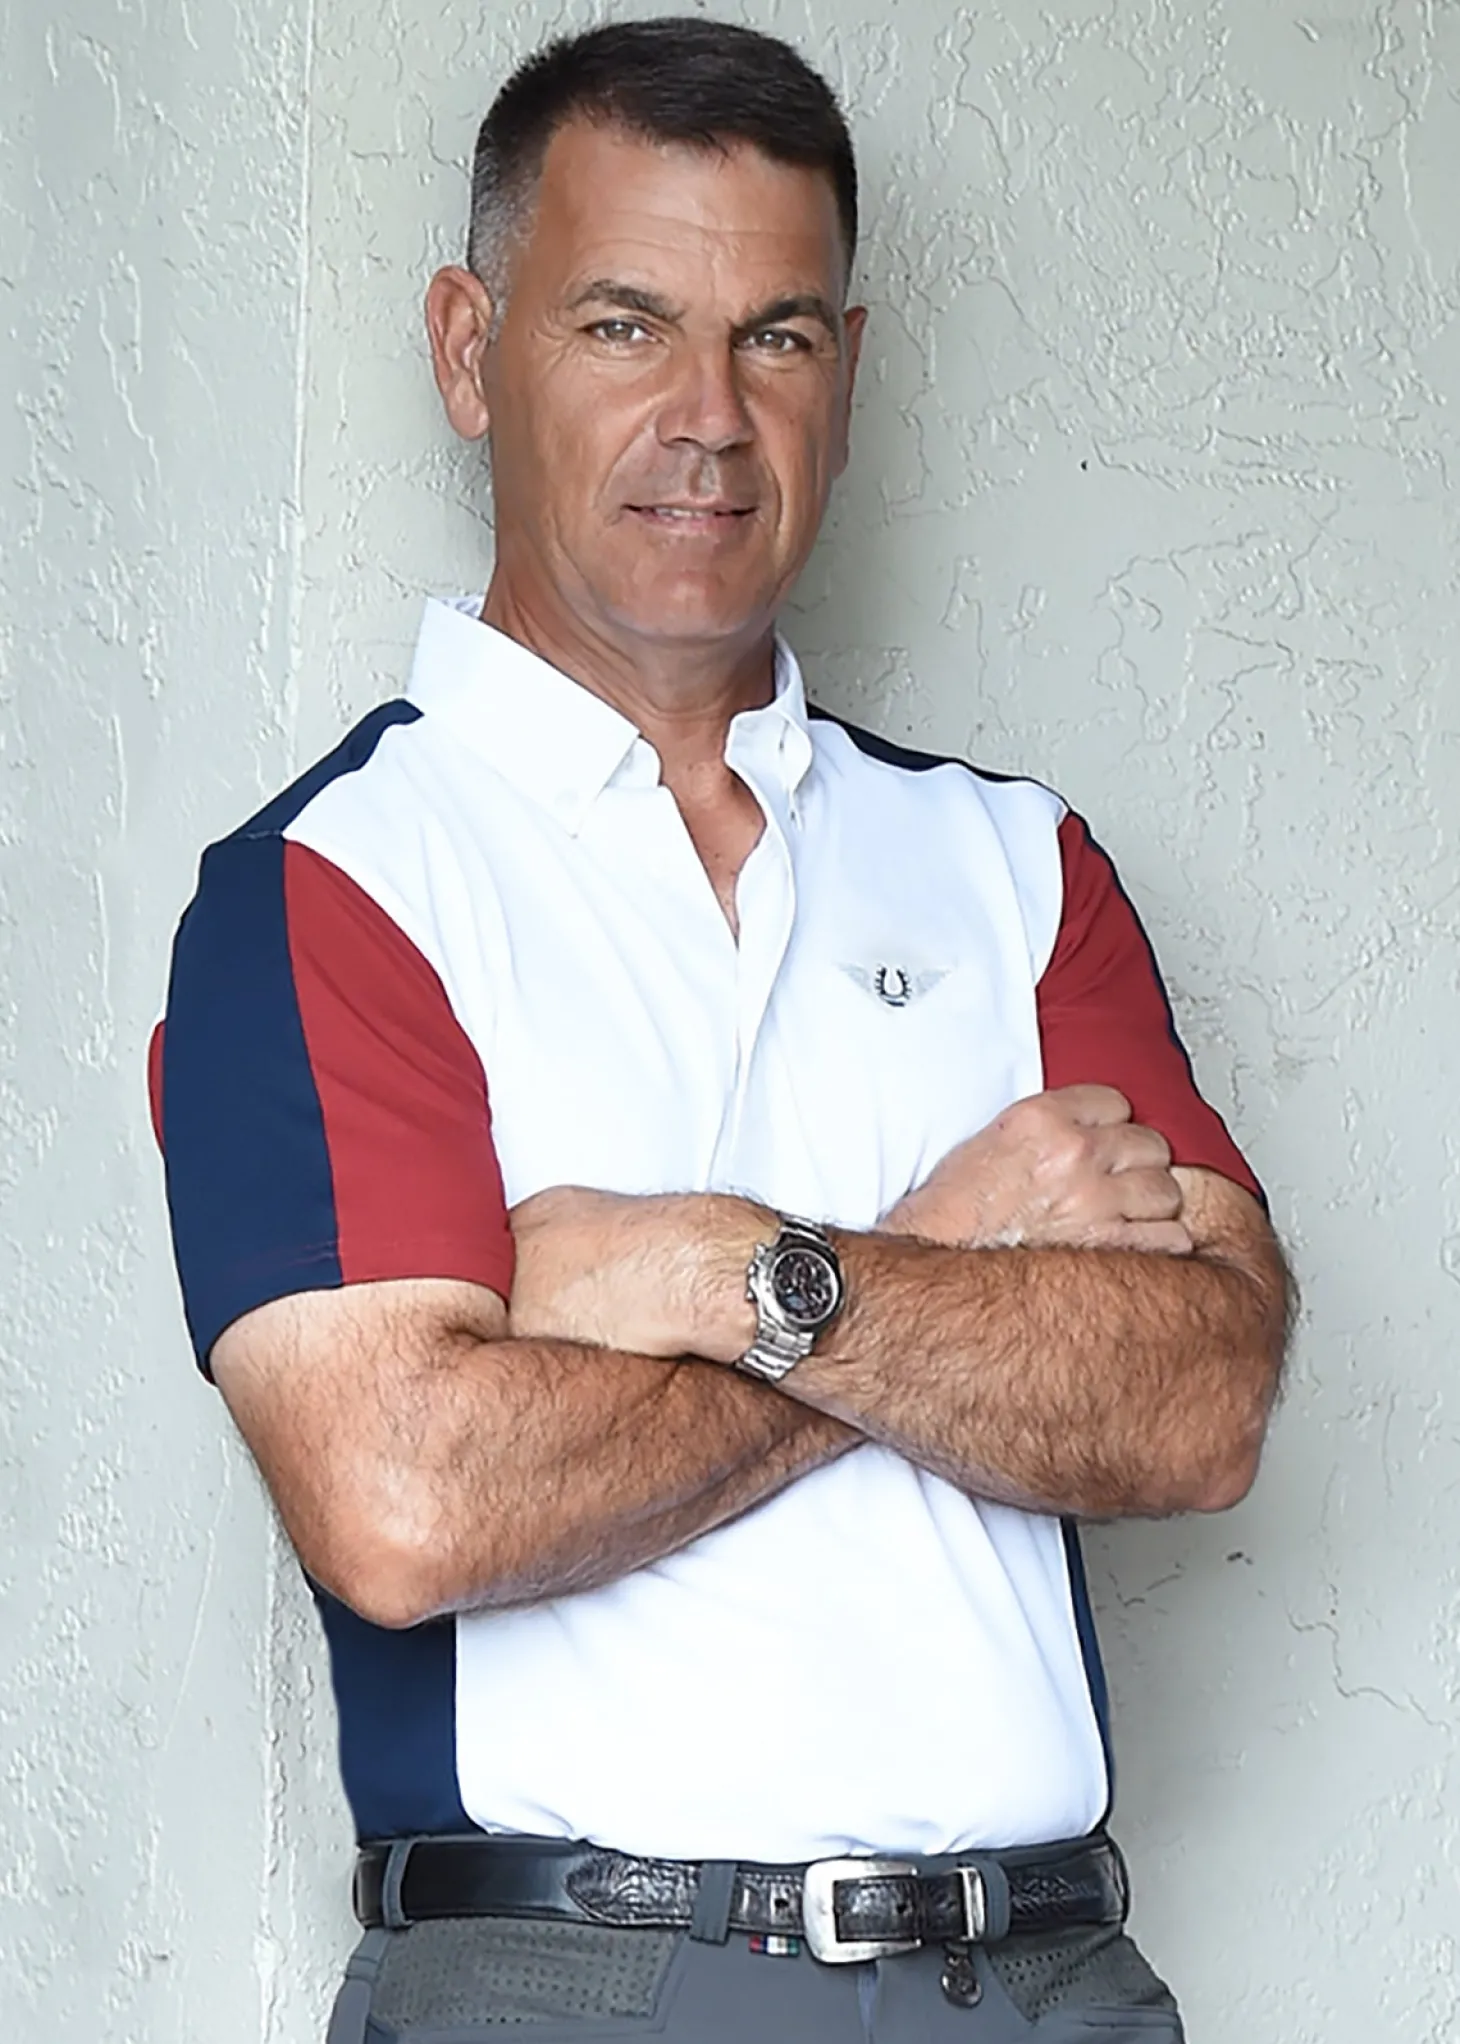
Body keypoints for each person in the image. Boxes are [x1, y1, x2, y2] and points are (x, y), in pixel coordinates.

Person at [150, 17, 1289, 2042]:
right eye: (623, 325)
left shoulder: (1012, 862)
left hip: (1042, 1981)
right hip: (583, 1981)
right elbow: (408, 1499)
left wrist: (714, 1273)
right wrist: (946, 1261)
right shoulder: (330, 888)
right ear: (468, 351)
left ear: (847, 375)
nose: (710, 417)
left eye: (775, 337)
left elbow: (1200, 1398)